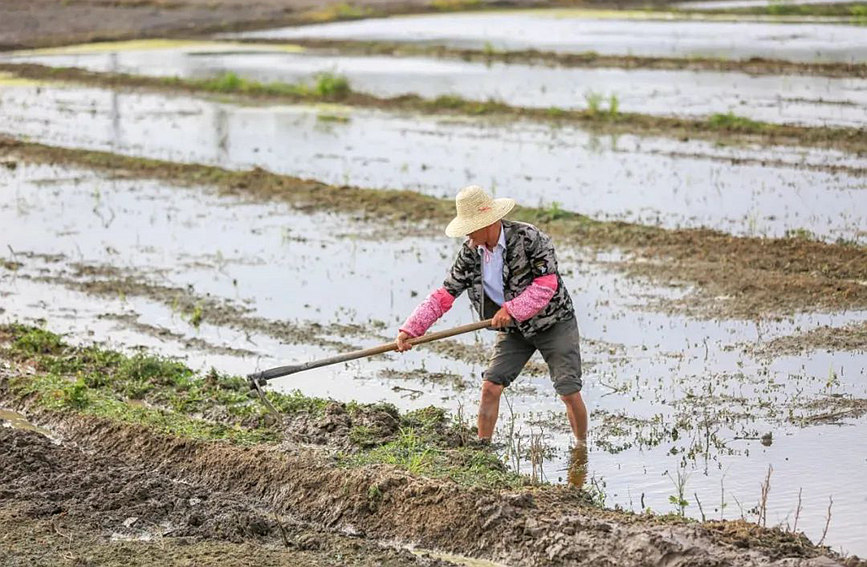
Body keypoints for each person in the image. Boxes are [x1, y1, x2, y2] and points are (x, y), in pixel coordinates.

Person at [395, 185, 587, 444]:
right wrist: (411, 330)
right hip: (514, 331)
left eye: (471, 228)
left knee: (568, 390)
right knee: (490, 386)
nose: (468, 235)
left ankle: (581, 447)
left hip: (552, 322)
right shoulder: (471, 253)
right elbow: (445, 294)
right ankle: (482, 448)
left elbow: (546, 285)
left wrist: (511, 308)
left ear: (489, 222)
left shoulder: (529, 238)